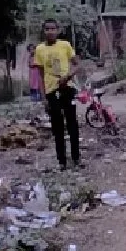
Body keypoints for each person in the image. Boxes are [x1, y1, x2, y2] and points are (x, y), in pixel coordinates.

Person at [33, 19, 82, 170]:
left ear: (58, 30)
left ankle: (76, 158)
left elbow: (77, 64)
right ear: (44, 31)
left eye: (53, 29)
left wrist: (68, 76)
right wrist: (43, 97)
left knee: (72, 124)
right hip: (51, 91)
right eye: (47, 29)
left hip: (67, 88)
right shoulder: (39, 49)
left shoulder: (65, 45)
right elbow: (40, 75)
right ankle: (62, 161)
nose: (50, 32)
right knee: (57, 127)